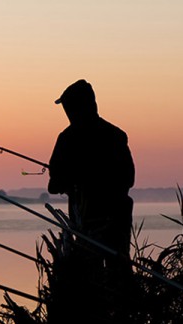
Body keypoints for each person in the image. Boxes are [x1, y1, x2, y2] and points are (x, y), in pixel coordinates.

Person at [48, 79, 135, 262]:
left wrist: (73, 181)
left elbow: (54, 185)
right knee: (119, 267)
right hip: (118, 219)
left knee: (90, 271)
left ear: (75, 108)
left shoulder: (67, 139)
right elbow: (129, 179)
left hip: (88, 222)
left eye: (68, 107)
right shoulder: (116, 134)